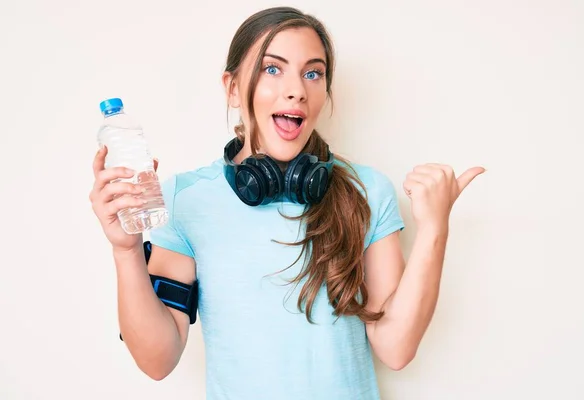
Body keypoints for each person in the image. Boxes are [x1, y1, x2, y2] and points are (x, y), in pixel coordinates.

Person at [89, 6, 484, 400]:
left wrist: (435, 229)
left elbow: (395, 347)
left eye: (313, 73)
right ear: (231, 87)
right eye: (272, 68)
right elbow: (158, 361)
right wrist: (125, 251)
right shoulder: (185, 199)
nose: (297, 89)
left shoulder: (368, 191)